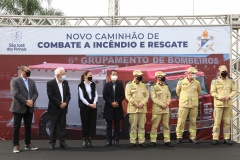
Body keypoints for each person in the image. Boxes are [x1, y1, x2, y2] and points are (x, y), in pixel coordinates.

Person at [10, 64, 39, 153]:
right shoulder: (15, 81)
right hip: (18, 107)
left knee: (28, 126)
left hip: (29, 108)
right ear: (22, 71)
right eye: (27, 70)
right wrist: (26, 101)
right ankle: (16, 145)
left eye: (29, 70)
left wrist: (32, 100)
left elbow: (36, 93)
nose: (29, 72)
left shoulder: (31, 82)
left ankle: (27, 144)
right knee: (16, 127)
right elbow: (15, 94)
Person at [210, 65, 237, 145]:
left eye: (225, 72)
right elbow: (212, 92)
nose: (224, 73)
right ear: (219, 73)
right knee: (217, 122)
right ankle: (215, 138)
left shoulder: (230, 81)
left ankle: (226, 138)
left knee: (227, 122)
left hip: (227, 104)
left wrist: (229, 96)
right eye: (222, 72)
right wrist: (220, 97)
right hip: (219, 105)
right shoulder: (215, 81)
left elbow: (234, 91)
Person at [47, 67, 71, 150]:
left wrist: (66, 103)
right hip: (54, 109)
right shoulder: (50, 83)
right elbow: (51, 96)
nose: (65, 76)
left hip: (63, 109)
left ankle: (62, 142)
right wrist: (59, 103)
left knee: (62, 126)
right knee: (53, 127)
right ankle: (52, 143)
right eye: (63, 74)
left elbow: (68, 95)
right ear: (58, 75)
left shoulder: (65, 82)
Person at [175, 67, 201, 144]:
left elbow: (198, 92)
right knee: (181, 121)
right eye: (193, 73)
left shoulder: (197, 83)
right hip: (184, 105)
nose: (194, 75)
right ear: (189, 74)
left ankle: (192, 137)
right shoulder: (181, 82)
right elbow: (178, 92)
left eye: (195, 74)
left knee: (193, 121)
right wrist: (184, 98)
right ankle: (179, 137)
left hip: (193, 105)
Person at [125, 70, 149, 148]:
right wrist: (136, 104)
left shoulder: (143, 85)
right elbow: (128, 96)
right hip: (133, 109)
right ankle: (133, 141)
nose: (140, 76)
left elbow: (146, 96)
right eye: (139, 75)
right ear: (135, 76)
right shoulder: (129, 85)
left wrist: (142, 103)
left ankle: (142, 141)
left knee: (142, 126)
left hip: (142, 108)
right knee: (133, 126)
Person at [150, 71, 173, 147]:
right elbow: (154, 98)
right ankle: (153, 141)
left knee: (166, 125)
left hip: (165, 109)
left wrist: (167, 103)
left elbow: (169, 97)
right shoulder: (153, 86)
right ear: (157, 77)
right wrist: (162, 104)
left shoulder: (166, 87)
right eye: (161, 76)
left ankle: (167, 141)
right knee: (155, 125)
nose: (163, 77)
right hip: (157, 110)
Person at [103, 70, 125, 146]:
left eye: (116, 75)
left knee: (117, 125)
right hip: (109, 107)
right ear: (110, 76)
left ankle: (116, 140)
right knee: (108, 125)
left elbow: (122, 95)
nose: (115, 76)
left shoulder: (120, 84)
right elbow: (105, 96)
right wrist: (111, 103)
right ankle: (109, 140)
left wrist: (117, 102)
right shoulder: (107, 85)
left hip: (118, 107)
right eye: (113, 75)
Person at [78, 71, 98, 148]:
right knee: (85, 123)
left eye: (91, 75)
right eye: (89, 75)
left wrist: (94, 103)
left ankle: (89, 140)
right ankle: (84, 140)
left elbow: (95, 95)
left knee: (92, 124)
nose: (91, 77)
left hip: (93, 107)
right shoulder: (81, 85)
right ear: (85, 76)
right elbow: (81, 97)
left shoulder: (93, 84)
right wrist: (89, 104)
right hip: (85, 107)